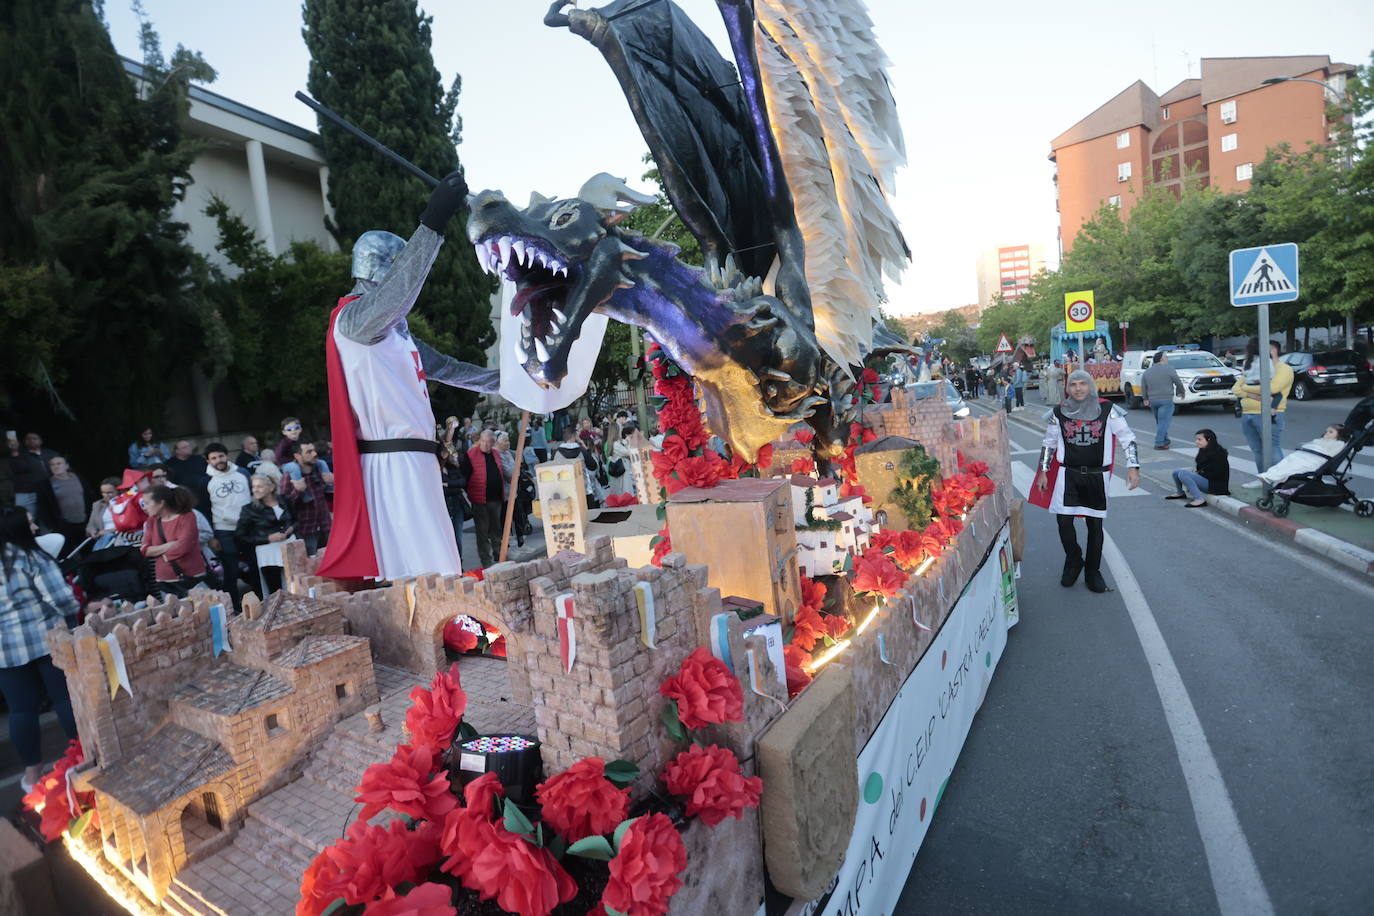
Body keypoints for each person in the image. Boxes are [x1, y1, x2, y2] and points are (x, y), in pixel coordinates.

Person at [316, 168, 501, 582]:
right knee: (421, 571)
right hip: (392, 462)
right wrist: (431, 224)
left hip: (416, 459)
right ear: (382, 267)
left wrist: (518, 383)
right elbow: (401, 289)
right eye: (398, 266)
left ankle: (452, 630)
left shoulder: (395, 332)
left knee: (440, 564)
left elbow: (452, 370)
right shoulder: (355, 321)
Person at [1032, 370, 1141, 593]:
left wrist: (1133, 467)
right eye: (1074, 384)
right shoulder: (1059, 412)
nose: (1078, 388)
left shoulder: (1108, 410)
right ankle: (1074, 560)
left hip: (1096, 476)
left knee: (1095, 525)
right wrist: (1043, 471)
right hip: (1067, 474)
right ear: (1068, 387)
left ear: (1090, 385)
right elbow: (1049, 443)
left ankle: (1093, 571)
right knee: (1063, 522)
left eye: (1083, 384)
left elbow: (1127, 439)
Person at [0, 507, 80, 793]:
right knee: (64, 699)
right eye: (30, 522)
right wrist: (73, 615)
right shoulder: (31, 557)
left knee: (20, 711)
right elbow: (61, 598)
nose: (34, 526)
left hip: (5, 650)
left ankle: (32, 776)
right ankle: (82, 759)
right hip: (47, 639)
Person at [1231, 338, 1294, 472]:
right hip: (1248, 414)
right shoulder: (1256, 366)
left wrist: (1246, 388)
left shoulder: (1284, 369)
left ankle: (1281, 480)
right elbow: (1236, 388)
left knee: (1272, 448)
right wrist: (1251, 394)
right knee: (1257, 450)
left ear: (1273, 350)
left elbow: (1272, 389)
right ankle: (1263, 479)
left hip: (1268, 413)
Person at [204, 443, 253, 608]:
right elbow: (205, 510)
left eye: (221, 456)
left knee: (255, 566)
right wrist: (211, 536)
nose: (218, 460)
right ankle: (233, 607)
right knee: (231, 570)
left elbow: (254, 496)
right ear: (208, 461)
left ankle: (260, 600)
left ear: (227, 456)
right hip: (224, 530)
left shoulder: (243, 473)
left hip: (249, 527)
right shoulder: (206, 481)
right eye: (214, 458)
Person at [140, 485, 206, 598]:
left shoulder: (187, 517)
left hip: (191, 577)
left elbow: (184, 546)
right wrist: (170, 545)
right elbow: (144, 550)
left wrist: (159, 553)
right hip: (164, 580)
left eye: (147, 503)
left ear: (161, 503)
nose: (144, 507)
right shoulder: (151, 521)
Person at [234, 475, 295, 596]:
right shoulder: (249, 509)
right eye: (253, 486)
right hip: (268, 552)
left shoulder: (285, 500)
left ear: (271, 487)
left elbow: (297, 520)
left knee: (295, 583)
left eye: (260, 486)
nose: (255, 490)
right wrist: (267, 538)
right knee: (276, 589)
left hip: (290, 546)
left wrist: (292, 528)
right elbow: (240, 536)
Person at [459, 429, 511, 568]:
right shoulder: (471, 455)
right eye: (484, 442)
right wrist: (470, 493)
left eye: (489, 442)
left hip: (496, 498)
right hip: (479, 500)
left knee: (496, 529)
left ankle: (499, 554)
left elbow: (501, 472)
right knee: (482, 532)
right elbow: (464, 476)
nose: (486, 445)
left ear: (493, 443)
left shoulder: (496, 454)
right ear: (480, 441)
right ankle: (486, 561)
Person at [1246, 424, 1350, 489]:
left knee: (1294, 466)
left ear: (1339, 435)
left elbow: (1328, 454)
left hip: (1315, 460)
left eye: (1331, 432)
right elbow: (1312, 445)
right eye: (1327, 431)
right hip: (1306, 455)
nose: (1326, 433)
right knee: (1287, 462)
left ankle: (1272, 477)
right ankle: (1270, 475)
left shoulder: (1338, 444)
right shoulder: (1322, 440)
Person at [280, 441, 331, 555]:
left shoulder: (320, 469)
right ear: (297, 456)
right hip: (306, 530)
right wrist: (298, 491)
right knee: (312, 567)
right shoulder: (289, 476)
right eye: (309, 452)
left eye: (314, 450)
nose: (314, 454)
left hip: (325, 526)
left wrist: (333, 482)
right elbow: (284, 505)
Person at [34, 455, 92, 556]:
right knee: (67, 555)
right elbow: (43, 507)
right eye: (52, 465)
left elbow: (90, 497)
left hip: (85, 523)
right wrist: (53, 526)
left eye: (59, 463)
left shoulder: (78, 478)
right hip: (63, 527)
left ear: (66, 465)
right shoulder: (46, 485)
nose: (55, 466)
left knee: (88, 552)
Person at [1167, 430, 1231, 507]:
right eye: (1196, 439)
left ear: (1209, 440)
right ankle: (1180, 493)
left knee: (1183, 474)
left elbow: (1217, 474)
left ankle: (1199, 499)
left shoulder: (1218, 453)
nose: (1196, 442)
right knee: (1176, 472)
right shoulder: (1204, 450)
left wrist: (1197, 476)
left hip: (1216, 486)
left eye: (1199, 439)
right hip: (1207, 481)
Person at [1141, 351, 1186, 449]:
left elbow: (1143, 386)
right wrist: (1181, 391)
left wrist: (1145, 398)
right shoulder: (1169, 369)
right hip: (1166, 400)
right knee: (1164, 422)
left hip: (1153, 401)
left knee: (1160, 422)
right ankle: (1159, 443)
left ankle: (1165, 440)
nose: (1167, 359)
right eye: (1166, 357)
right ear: (1161, 359)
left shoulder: (1147, 372)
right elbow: (1177, 381)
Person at [10, 433, 60, 516]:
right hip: (32, 492)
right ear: (24, 442)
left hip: (54, 488)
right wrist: (14, 451)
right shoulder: (22, 456)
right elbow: (17, 468)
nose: (31, 440)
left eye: (34, 438)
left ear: (41, 441)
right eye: (28, 439)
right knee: (33, 516)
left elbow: (63, 467)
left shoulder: (51, 453)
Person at [164, 439, 210, 514]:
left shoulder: (199, 459)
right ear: (177, 451)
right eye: (185, 447)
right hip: (187, 499)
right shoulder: (170, 464)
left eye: (189, 446)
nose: (189, 448)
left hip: (205, 496)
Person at [87, 477, 121, 545]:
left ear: (119, 491)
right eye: (103, 493)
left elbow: (130, 524)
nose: (106, 495)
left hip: (120, 537)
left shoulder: (127, 504)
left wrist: (109, 531)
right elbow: (91, 525)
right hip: (104, 539)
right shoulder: (98, 505)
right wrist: (92, 531)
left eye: (110, 493)